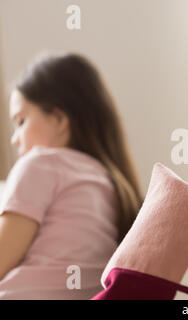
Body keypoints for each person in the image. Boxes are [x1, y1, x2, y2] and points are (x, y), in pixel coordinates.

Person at [0, 52, 143, 299]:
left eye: (21, 121)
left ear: (59, 119)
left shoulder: (40, 162)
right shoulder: (113, 185)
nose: (14, 140)